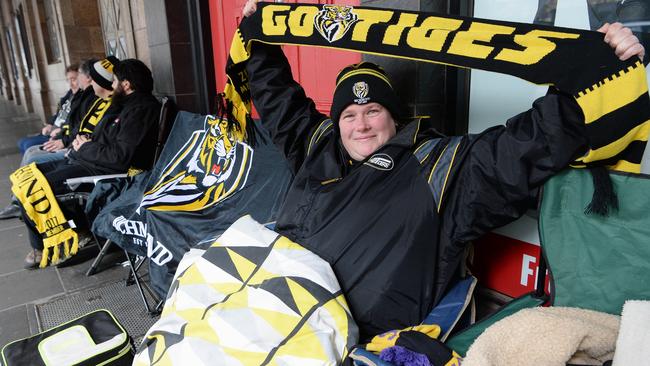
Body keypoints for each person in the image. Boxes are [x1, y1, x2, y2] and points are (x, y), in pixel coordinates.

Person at [242, 0, 645, 341]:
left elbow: (526, 147)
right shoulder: (317, 145)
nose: (360, 124)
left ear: (394, 119)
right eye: (349, 114)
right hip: (260, 306)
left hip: (341, 338)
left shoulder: (442, 168)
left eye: (373, 111)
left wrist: (603, 66)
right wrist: (257, 33)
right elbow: (280, 102)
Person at [19, 57, 161, 268]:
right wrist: (82, 143)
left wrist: (85, 147)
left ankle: (44, 246)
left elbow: (119, 157)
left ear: (126, 85)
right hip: (87, 159)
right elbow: (107, 138)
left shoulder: (140, 109)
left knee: (34, 187)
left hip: (99, 170)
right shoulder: (125, 105)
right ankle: (78, 231)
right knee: (28, 174)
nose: (111, 86)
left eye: (114, 81)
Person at [0, 59, 103, 220]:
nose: (73, 82)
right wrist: (63, 136)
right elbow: (77, 124)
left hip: (79, 153)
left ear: (88, 77)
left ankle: (20, 204)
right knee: (30, 152)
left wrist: (65, 140)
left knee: (33, 158)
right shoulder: (84, 95)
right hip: (75, 147)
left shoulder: (95, 98)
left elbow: (86, 130)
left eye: (77, 77)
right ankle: (17, 202)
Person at [16, 65, 79, 154]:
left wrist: (61, 129)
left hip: (61, 134)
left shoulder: (82, 98)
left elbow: (77, 122)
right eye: (68, 80)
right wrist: (49, 124)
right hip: (52, 130)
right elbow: (58, 113)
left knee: (28, 146)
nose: (70, 84)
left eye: (73, 79)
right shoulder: (68, 95)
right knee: (21, 142)